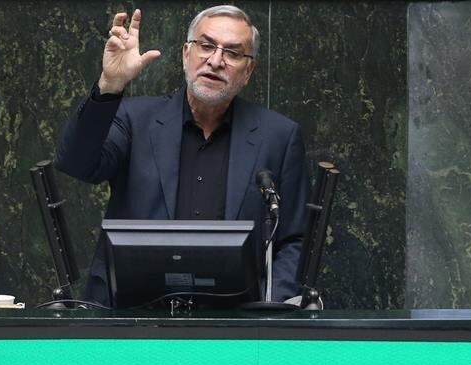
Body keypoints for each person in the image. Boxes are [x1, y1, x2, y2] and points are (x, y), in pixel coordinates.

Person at [55, 5, 309, 306]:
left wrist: (267, 313)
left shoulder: (278, 136)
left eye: (232, 53)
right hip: (131, 314)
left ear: (248, 70)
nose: (215, 61)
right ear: (186, 54)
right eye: (206, 46)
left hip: (232, 320)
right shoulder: (135, 119)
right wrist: (109, 87)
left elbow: (294, 239)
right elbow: (77, 164)